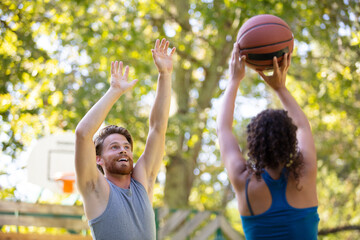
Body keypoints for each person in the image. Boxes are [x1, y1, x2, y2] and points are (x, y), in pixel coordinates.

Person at [75, 38, 176, 240]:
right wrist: (115, 91)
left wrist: (165, 75)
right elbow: (83, 134)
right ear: (98, 159)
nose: (123, 150)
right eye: (114, 147)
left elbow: (158, 128)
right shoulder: (95, 189)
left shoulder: (143, 182)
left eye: (126, 146)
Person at [217, 43, 320, 240]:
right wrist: (280, 88)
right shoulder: (305, 172)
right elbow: (303, 127)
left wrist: (234, 81)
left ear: (254, 144)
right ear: (291, 141)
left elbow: (223, 129)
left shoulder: (244, 181)